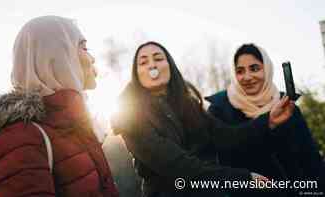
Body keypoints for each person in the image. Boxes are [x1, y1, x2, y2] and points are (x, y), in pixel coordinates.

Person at [111, 41, 295, 197]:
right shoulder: (131, 117)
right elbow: (179, 166)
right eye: (143, 62)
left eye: (159, 59)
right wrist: (244, 179)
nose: (152, 66)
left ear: (170, 66)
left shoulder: (189, 105)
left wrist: (268, 120)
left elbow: (227, 136)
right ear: (136, 74)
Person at [0, 16, 119, 197]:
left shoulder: (74, 125)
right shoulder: (19, 137)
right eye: (83, 47)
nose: (92, 58)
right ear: (56, 56)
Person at [205, 43, 325, 196]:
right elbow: (215, 162)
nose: (247, 77)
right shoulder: (219, 109)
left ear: (267, 69)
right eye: (240, 71)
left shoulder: (286, 105)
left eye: (255, 68)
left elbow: (310, 159)